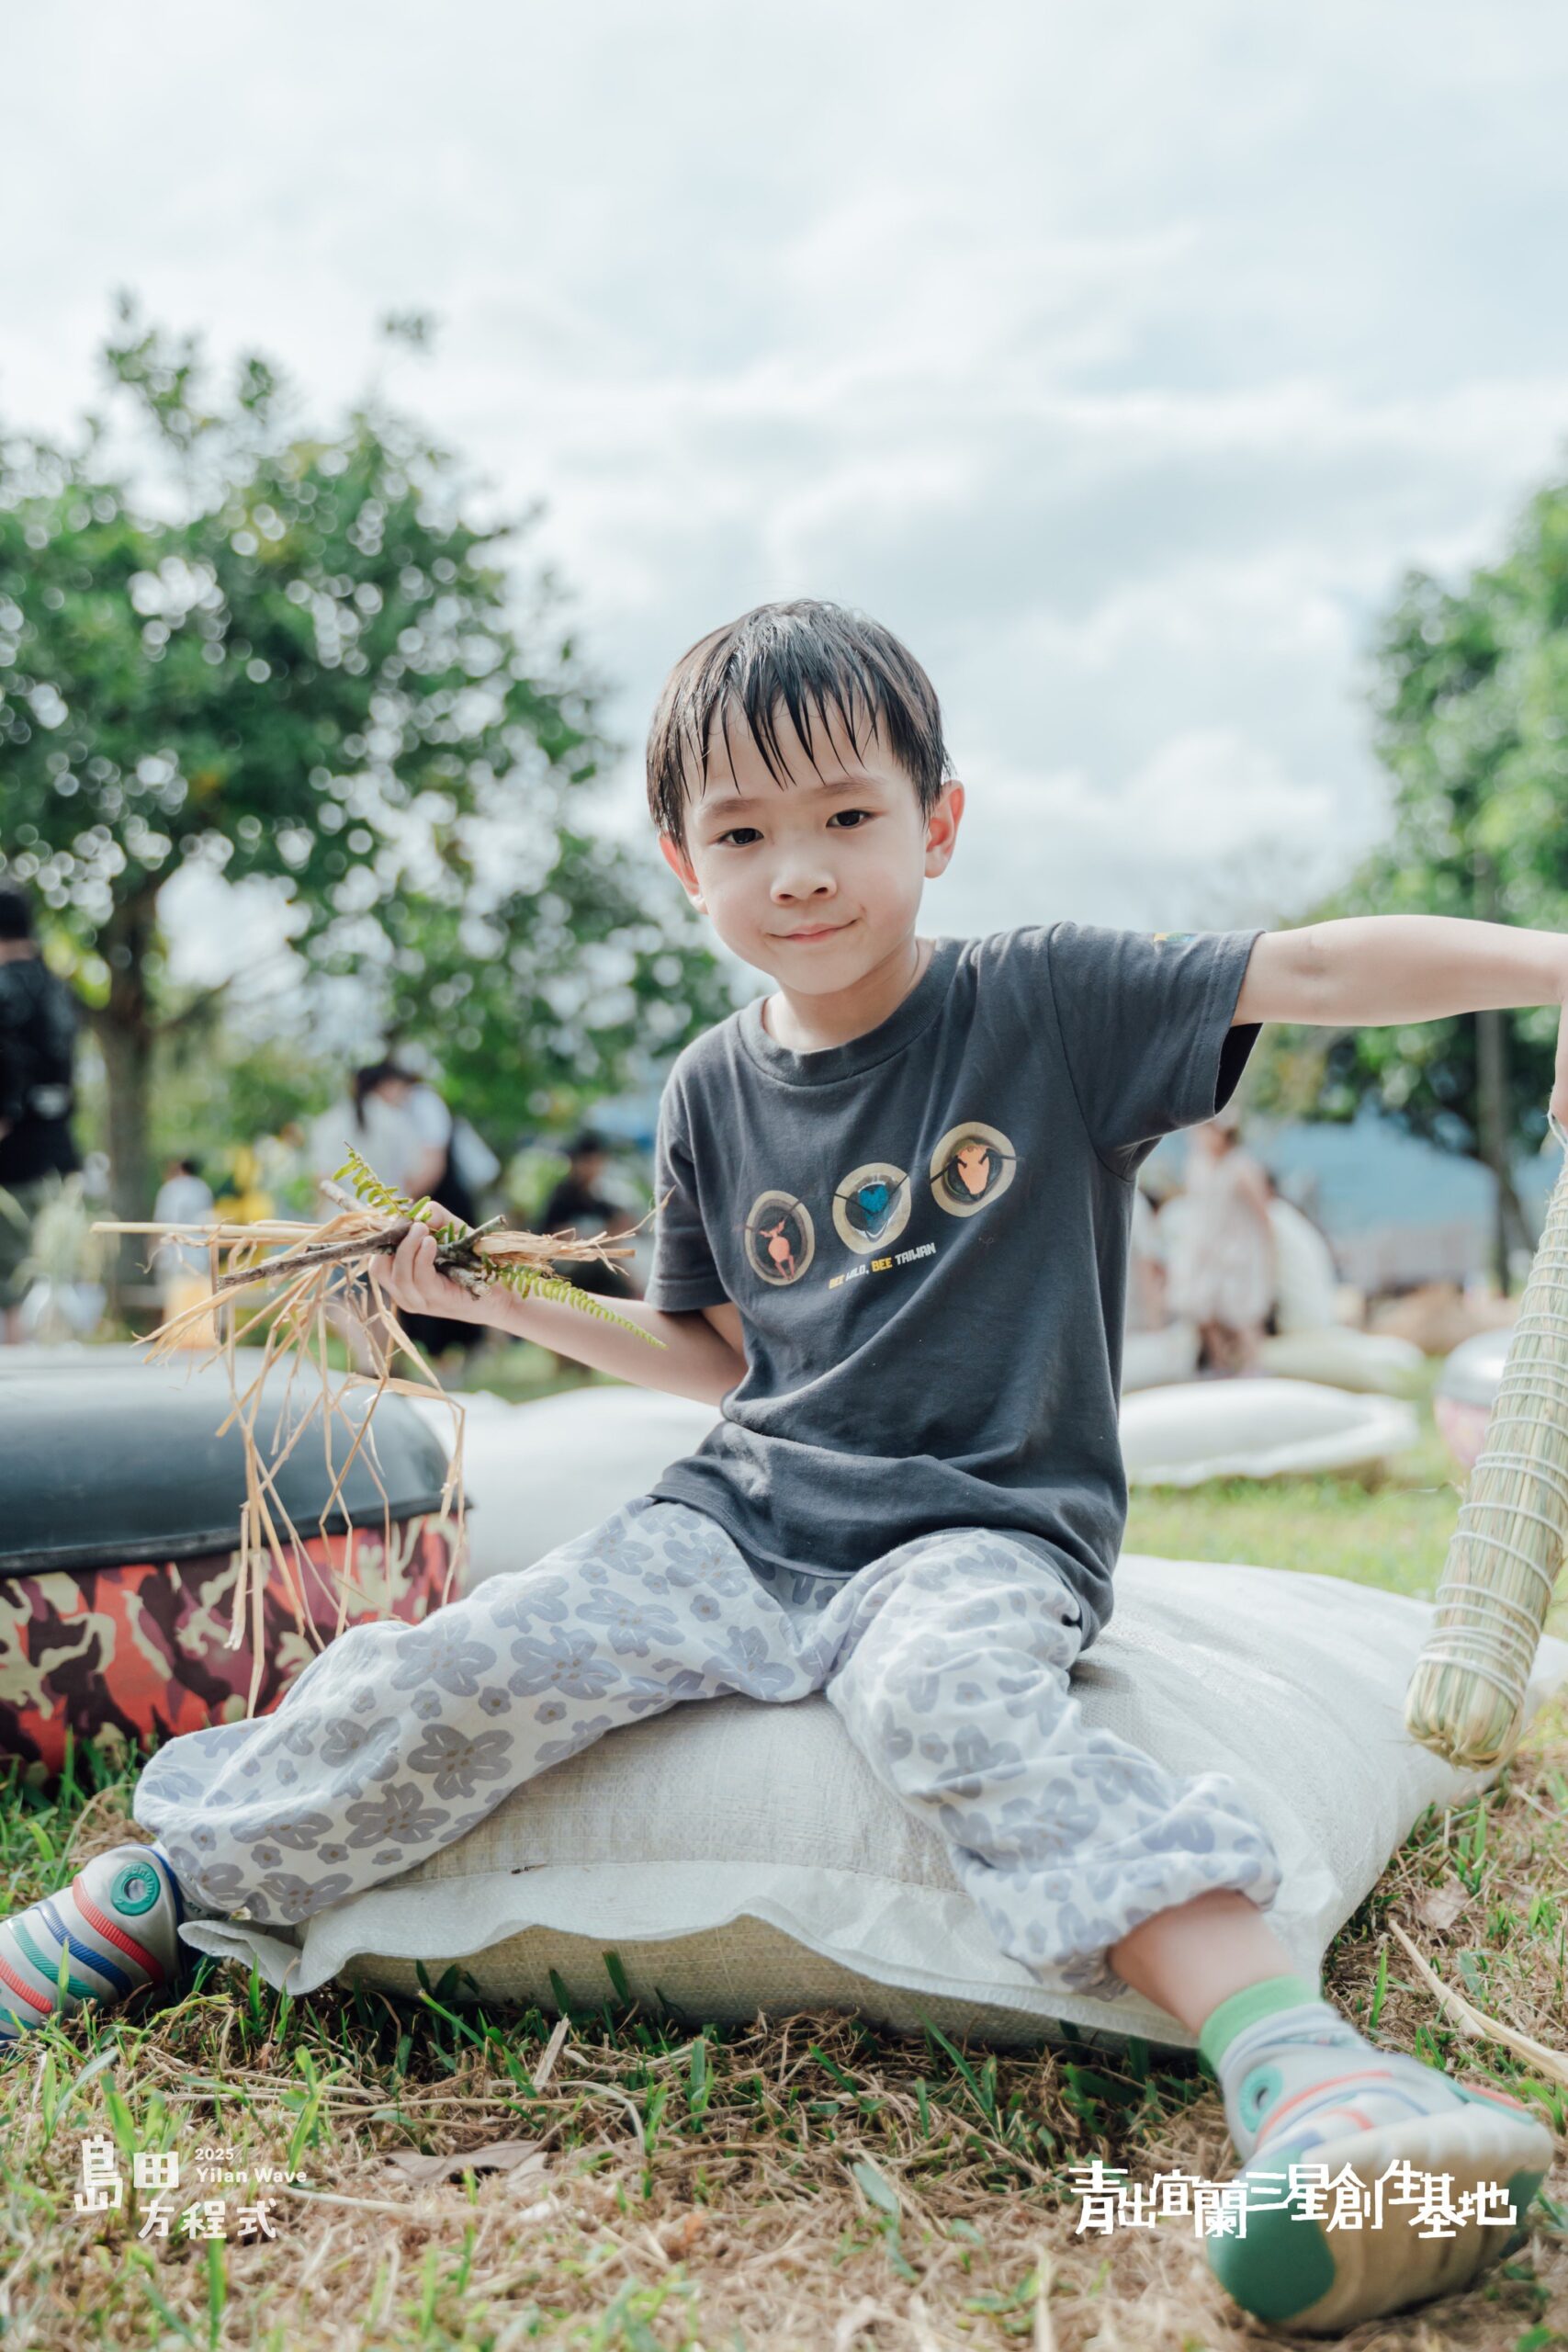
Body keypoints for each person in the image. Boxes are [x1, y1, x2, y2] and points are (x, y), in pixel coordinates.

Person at [8, 601, 1558, 2335]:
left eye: (845, 815)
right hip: (743, 1518)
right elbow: (721, 1359)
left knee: (951, 1706)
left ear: (935, 824)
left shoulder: (1042, 1000)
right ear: (684, 865)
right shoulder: (707, 1088)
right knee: (461, 1659)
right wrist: (492, 1299)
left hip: (979, 1526)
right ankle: (155, 1892)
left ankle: (1309, 2073)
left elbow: (1318, 971)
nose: (799, 869)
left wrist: (1559, 966)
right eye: (741, 834)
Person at [0, 882, 82, 1345]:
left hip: (11, 1159)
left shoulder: (5, 988)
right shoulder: (59, 988)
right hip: (61, 1155)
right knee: (54, 1278)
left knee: (10, 1285)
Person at [1163, 1107, 1276, 1375]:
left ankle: (1254, 1367)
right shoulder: (1198, 1164)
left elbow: (1263, 1215)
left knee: (1243, 1315)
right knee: (1204, 1310)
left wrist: (1270, 1255)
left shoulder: (1241, 1167)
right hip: (1206, 1247)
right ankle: (1219, 1366)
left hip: (1238, 1251)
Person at [150, 1158, 218, 1335]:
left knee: (173, 1294)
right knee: (199, 1294)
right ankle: (199, 1333)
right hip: (199, 1249)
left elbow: (162, 1220)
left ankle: (175, 1333)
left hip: (173, 1250)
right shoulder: (203, 1189)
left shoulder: (171, 1189)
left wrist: (154, 1247)